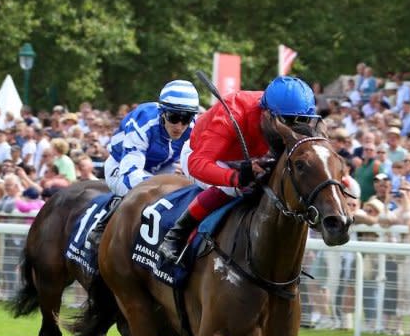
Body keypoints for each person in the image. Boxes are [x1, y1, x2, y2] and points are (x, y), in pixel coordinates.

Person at [158, 75, 319, 263]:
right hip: (204, 156)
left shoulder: (283, 110)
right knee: (236, 188)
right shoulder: (232, 113)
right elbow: (197, 163)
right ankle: (175, 236)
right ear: (267, 113)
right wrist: (236, 177)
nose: (295, 129)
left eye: (303, 120)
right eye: (288, 121)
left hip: (250, 156)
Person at [87, 79, 200, 245]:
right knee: (135, 191)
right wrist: (163, 188)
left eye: (186, 118)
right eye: (174, 117)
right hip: (121, 166)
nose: (179, 126)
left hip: (161, 167)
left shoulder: (194, 127)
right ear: (162, 112)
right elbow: (130, 173)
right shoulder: (144, 120)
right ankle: (102, 225)